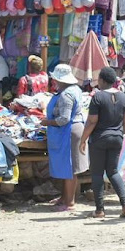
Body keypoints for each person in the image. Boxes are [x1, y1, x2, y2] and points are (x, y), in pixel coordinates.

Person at [80, 67, 125, 218]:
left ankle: (99, 210)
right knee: (113, 171)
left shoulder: (98, 96)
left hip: (100, 138)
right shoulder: (123, 97)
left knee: (97, 173)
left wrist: (83, 140)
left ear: (101, 80)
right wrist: (121, 131)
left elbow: (91, 122)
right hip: (117, 138)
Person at [40, 64, 88, 212]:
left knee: (70, 168)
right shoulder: (74, 90)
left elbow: (64, 119)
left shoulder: (67, 95)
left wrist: (46, 122)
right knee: (66, 167)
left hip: (69, 133)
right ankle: (64, 197)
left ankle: (70, 202)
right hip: (68, 132)